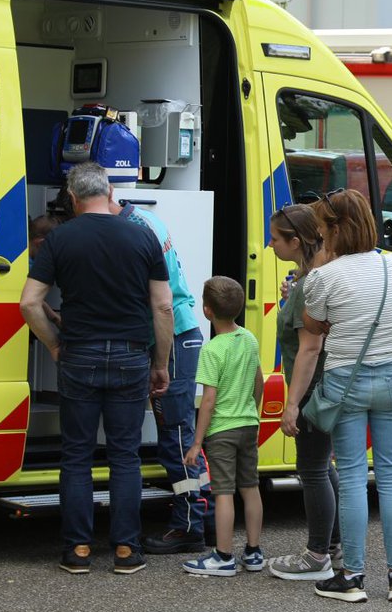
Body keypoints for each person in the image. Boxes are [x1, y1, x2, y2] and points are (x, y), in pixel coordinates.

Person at [20, 162, 171, 576]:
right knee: (125, 456)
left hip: (79, 355)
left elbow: (30, 303)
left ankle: (78, 551)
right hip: (130, 356)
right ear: (109, 194)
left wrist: (53, 344)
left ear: (72, 198)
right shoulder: (143, 236)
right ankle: (126, 550)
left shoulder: (60, 238)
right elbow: (162, 305)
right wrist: (159, 363)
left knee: (76, 456)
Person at [283, 190, 392, 605]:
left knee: (355, 476)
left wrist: (322, 269)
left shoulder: (322, 278)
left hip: (347, 379)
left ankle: (353, 576)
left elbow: (313, 331)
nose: (320, 239)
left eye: (322, 231)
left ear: (336, 229)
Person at [111, 196, 215, 555]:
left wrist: (160, 358)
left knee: (175, 434)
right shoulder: (144, 218)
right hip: (180, 333)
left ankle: (189, 525)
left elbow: (161, 303)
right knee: (181, 431)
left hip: (172, 336)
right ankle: (208, 515)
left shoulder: (133, 229)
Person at [265, 203, 343, 580]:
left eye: (276, 238)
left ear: (296, 241)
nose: (270, 245)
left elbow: (309, 349)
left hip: (311, 385)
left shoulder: (310, 285)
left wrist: (291, 404)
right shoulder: (313, 277)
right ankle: (335, 545)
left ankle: (317, 556)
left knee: (311, 469)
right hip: (325, 384)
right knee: (322, 466)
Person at [181, 276, 266, 577]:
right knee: (250, 487)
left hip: (222, 431)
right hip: (248, 424)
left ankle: (224, 556)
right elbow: (259, 381)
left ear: (207, 311)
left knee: (224, 492)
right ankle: (254, 552)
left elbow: (208, 402)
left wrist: (196, 442)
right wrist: (252, 412)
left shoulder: (212, 350)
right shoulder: (250, 339)